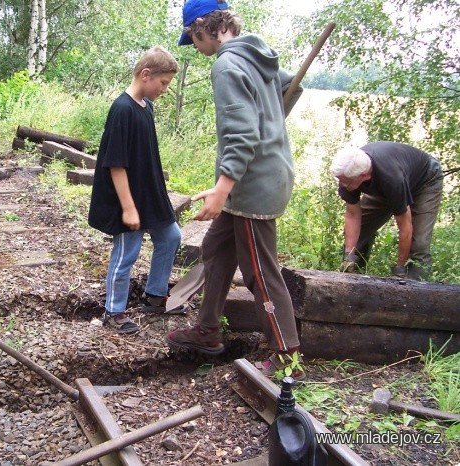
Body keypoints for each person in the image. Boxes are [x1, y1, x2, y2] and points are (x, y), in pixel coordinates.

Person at [165, 0, 305, 379]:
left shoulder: (228, 63)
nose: (194, 47)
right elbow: (295, 85)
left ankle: (287, 354)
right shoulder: (258, 55)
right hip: (262, 175)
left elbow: (241, 135)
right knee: (215, 249)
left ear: (201, 27)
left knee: (260, 271)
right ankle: (208, 331)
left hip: (252, 185)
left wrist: (222, 187)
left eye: (192, 39)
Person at [88, 46, 185, 335]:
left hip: (149, 193)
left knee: (171, 236)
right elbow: (116, 164)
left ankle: (155, 295)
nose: (165, 89)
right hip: (126, 197)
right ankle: (114, 311)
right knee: (126, 253)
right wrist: (129, 207)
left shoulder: (146, 106)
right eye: (163, 83)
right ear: (145, 75)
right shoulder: (122, 109)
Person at [331, 141, 443, 280]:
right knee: (362, 231)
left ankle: (411, 290)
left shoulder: (392, 179)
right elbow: (353, 215)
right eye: (340, 180)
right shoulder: (348, 172)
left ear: (364, 175)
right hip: (387, 185)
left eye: (346, 181)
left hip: (425, 181)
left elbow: (405, 226)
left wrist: (399, 269)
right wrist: (349, 256)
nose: (342, 185)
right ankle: (352, 278)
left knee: (419, 243)